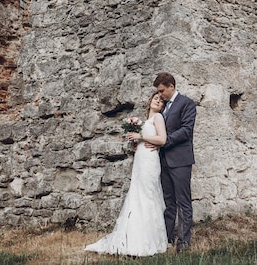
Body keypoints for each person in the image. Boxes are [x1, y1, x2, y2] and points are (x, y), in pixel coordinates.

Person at [84, 92, 168, 257]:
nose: (158, 101)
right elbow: (144, 140)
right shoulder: (144, 121)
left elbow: (162, 139)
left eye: (161, 101)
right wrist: (135, 143)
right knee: (136, 195)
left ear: (163, 106)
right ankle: (132, 237)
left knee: (148, 195)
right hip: (140, 159)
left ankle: (149, 240)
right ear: (150, 101)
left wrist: (141, 137)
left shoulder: (158, 118)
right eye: (155, 98)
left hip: (150, 161)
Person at [152, 72, 196, 252]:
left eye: (162, 90)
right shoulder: (162, 107)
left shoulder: (187, 103)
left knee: (183, 202)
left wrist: (165, 140)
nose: (160, 95)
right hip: (164, 161)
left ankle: (184, 243)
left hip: (180, 161)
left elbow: (186, 130)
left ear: (171, 86)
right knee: (168, 203)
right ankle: (167, 240)